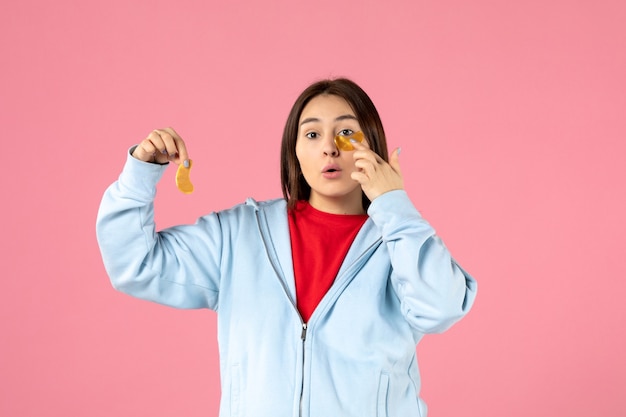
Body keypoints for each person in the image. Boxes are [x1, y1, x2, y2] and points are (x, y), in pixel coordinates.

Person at [96, 77, 478, 417]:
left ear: (372, 145)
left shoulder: (399, 242)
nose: (329, 148)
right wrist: (140, 175)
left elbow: (441, 307)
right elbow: (135, 265)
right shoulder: (239, 237)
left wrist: (393, 204)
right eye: (312, 135)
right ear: (294, 151)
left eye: (347, 133)